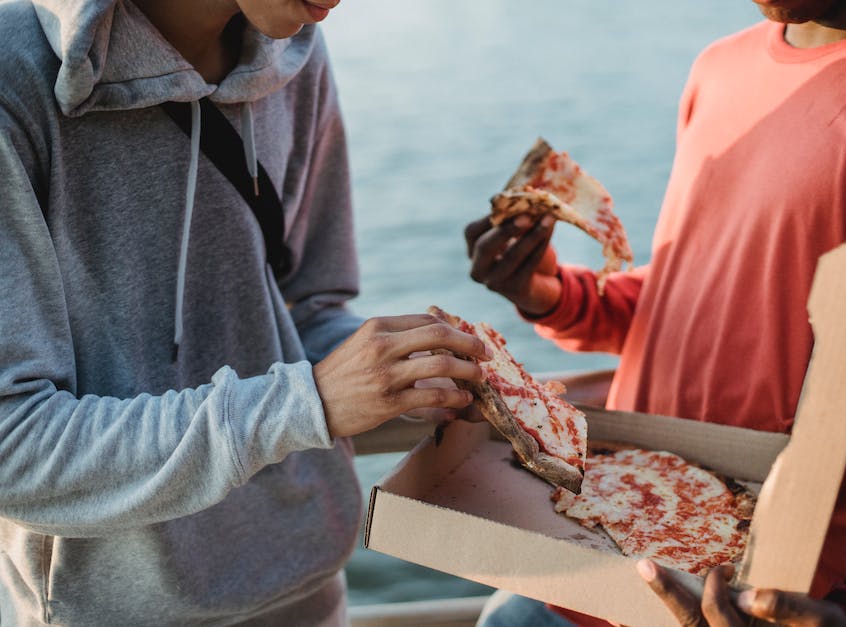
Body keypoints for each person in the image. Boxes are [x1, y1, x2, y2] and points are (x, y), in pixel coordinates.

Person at [0, 0, 492, 625]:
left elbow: (306, 311)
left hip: (310, 589)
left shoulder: (296, 57)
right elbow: (11, 445)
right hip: (116, 609)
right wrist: (307, 402)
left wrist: (410, 375)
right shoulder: (14, 76)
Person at [466, 0, 846, 625]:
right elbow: (695, 287)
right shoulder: (722, 66)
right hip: (595, 551)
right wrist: (554, 295)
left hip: (759, 598)